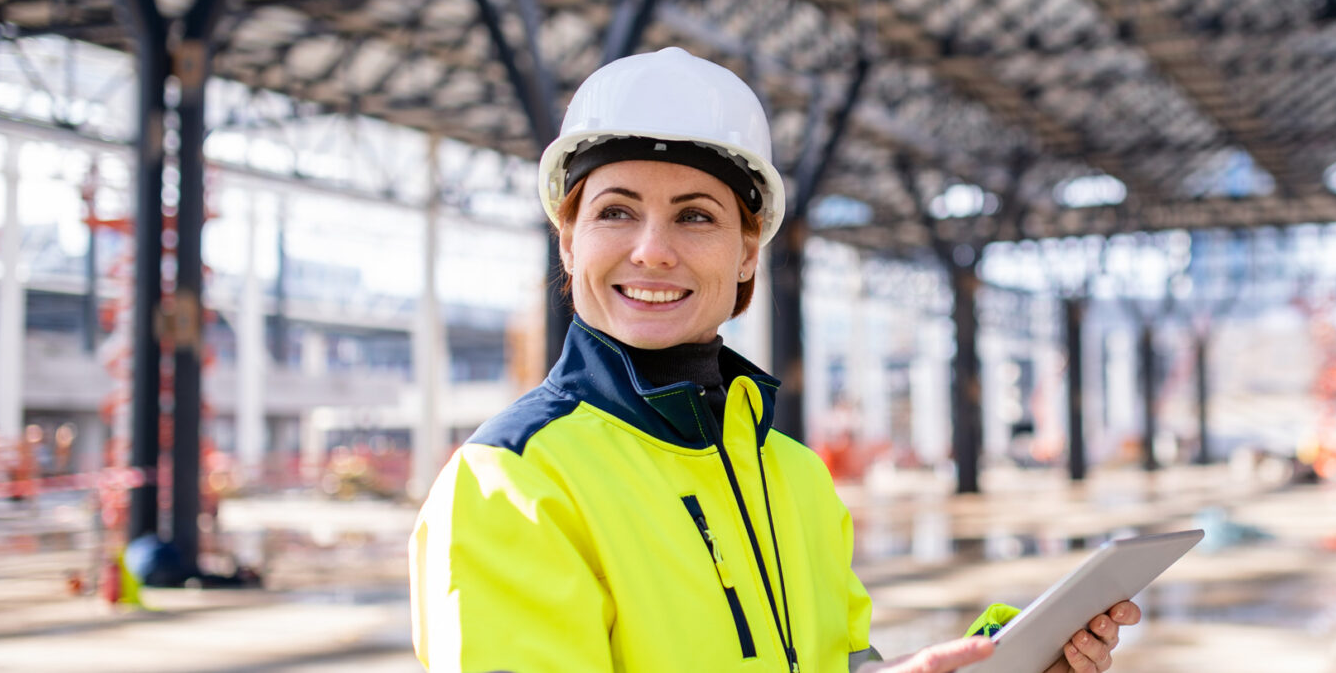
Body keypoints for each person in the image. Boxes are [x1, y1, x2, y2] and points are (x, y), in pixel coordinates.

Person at [409, 47, 1139, 672]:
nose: (652, 250)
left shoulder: (795, 477)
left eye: (696, 216)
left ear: (746, 252)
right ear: (570, 242)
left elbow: (843, 660)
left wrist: (992, 660)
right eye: (616, 211)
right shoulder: (511, 482)